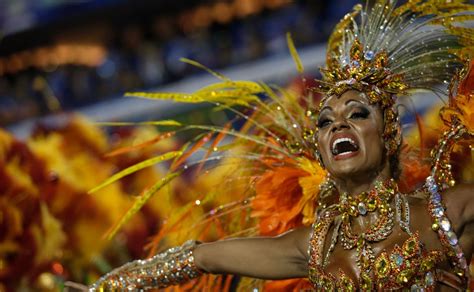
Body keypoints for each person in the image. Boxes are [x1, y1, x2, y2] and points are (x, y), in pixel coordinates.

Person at [88, 0, 474, 290]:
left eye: (357, 114)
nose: (338, 123)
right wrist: (107, 287)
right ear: (320, 149)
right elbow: (200, 256)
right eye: (325, 121)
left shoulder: (448, 211)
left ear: (389, 133)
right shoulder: (314, 246)